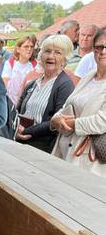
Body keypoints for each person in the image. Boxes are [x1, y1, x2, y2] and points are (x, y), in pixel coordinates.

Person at [51, 26, 106, 178]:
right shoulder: (88, 77)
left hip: (90, 162)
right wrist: (55, 119)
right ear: (93, 49)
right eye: (99, 47)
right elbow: (67, 106)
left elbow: (102, 122)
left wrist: (70, 123)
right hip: (65, 151)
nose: (103, 51)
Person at [14, 35, 75, 153]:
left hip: (41, 149)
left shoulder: (65, 85)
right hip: (20, 143)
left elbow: (58, 122)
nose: (51, 56)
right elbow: (17, 112)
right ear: (41, 55)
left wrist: (24, 132)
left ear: (65, 58)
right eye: (47, 51)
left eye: (57, 52)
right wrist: (16, 128)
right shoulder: (31, 84)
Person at [1, 36, 37, 106]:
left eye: (31, 47)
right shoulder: (10, 63)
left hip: (27, 104)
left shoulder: (35, 65)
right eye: (26, 47)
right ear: (18, 49)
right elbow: (4, 84)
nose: (29, 49)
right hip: (11, 103)